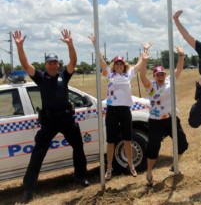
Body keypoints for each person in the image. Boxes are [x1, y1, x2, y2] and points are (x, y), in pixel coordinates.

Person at [12, 29, 89, 203]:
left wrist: (70, 44)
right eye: (49, 63)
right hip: (49, 121)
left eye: (55, 62)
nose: (52, 65)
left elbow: (74, 61)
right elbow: (25, 65)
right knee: (38, 153)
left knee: (78, 146)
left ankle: (81, 175)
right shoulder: (40, 77)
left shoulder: (64, 76)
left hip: (67, 119)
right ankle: (29, 188)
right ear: (45, 64)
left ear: (58, 64)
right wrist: (19, 46)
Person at [89, 33, 150, 180]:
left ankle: (131, 165)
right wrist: (95, 45)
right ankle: (109, 168)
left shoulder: (128, 74)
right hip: (112, 111)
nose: (119, 66)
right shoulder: (109, 74)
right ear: (114, 66)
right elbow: (101, 61)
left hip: (125, 110)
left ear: (124, 65)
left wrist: (145, 50)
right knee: (110, 141)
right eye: (116, 64)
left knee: (128, 139)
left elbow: (140, 63)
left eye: (121, 64)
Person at [140, 45, 189, 186]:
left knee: (183, 143)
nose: (160, 77)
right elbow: (142, 76)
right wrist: (143, 61)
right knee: (153, 148)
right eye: (158, 75)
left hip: (171, 119)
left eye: (162, 74)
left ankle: (175, 164)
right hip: (156, 121)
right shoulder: (151, 87)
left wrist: (181, 56)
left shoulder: (169, 82)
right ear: (154, 76)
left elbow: (178, 69)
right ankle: (149, 172)